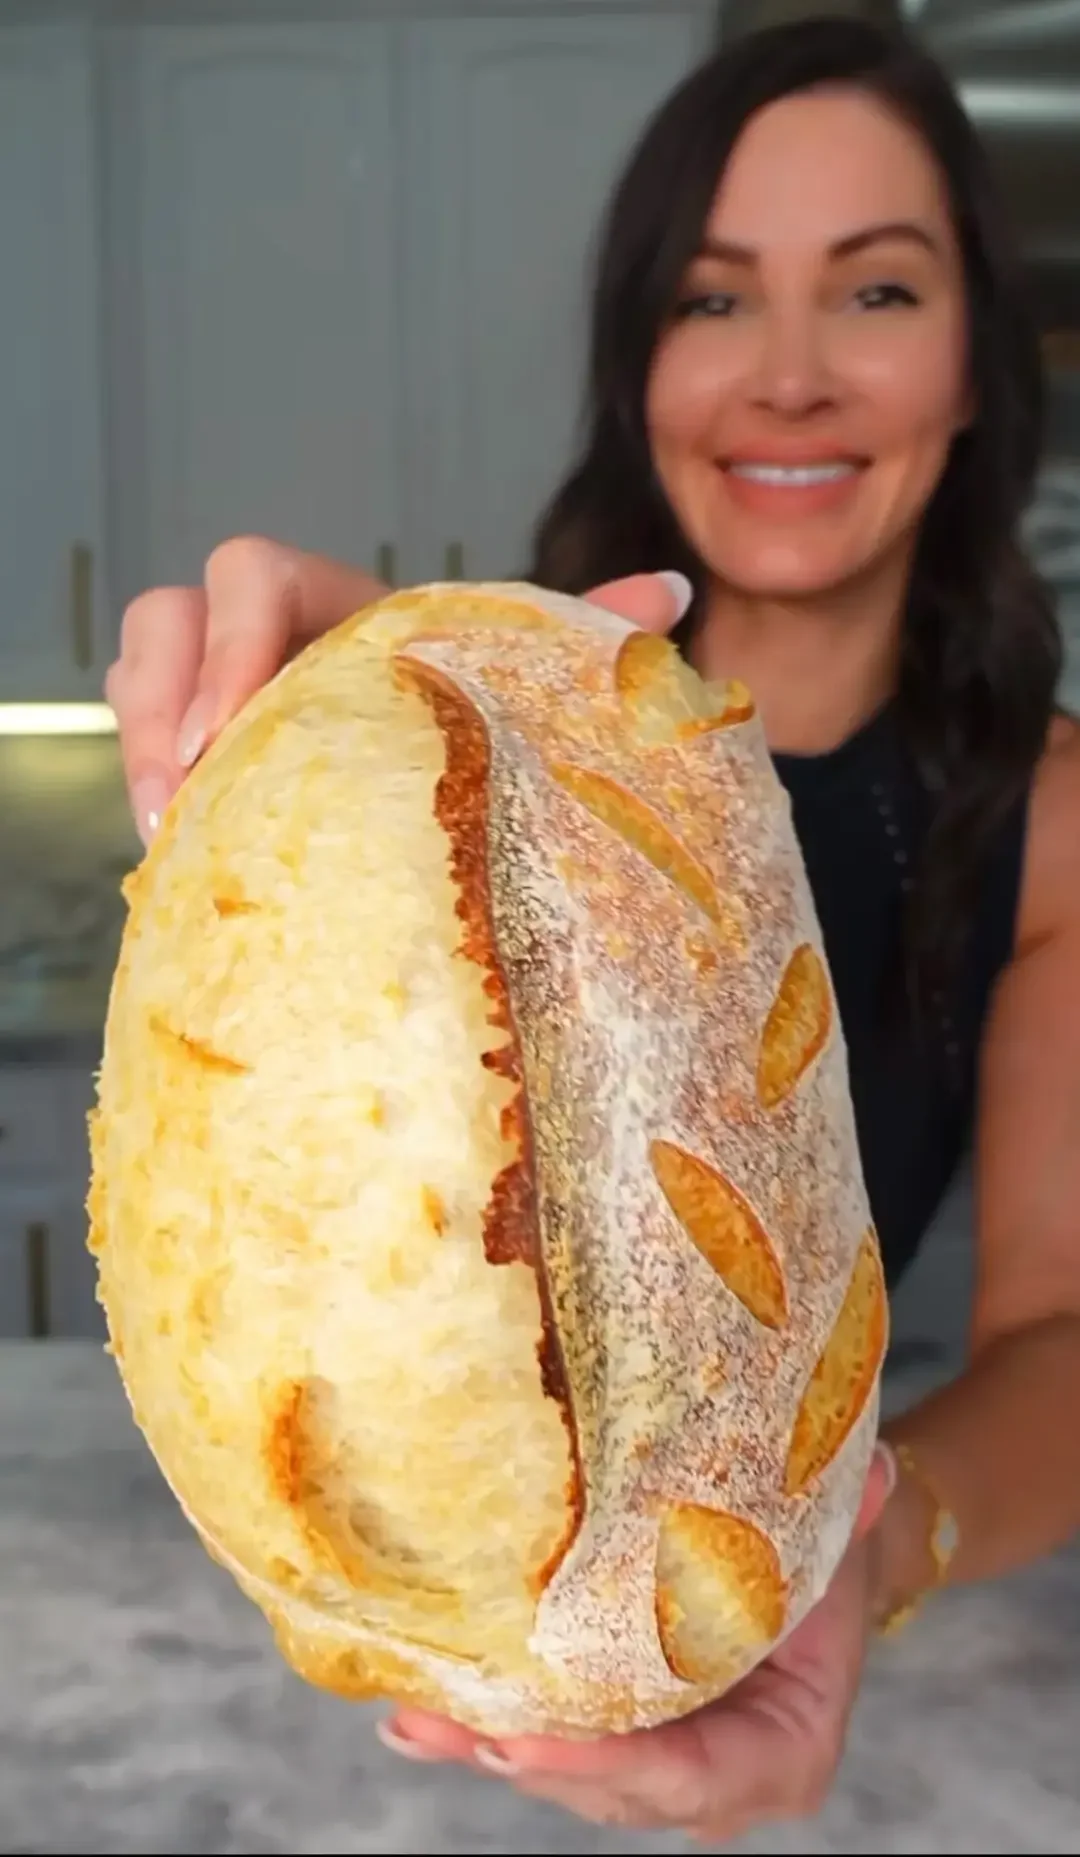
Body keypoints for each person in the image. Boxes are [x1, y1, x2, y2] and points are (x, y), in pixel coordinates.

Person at [105, 16, 1080, 1842]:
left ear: (972, 372)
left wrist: (874, 1558)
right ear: (636, 363)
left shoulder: (1059, 815)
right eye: (714, 301)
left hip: (843, 1709)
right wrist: (336, 704)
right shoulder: (490, 715)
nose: (790, 376)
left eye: (875, 294)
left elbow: (1065, 1337)